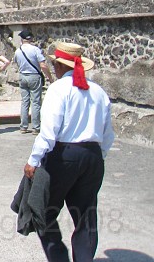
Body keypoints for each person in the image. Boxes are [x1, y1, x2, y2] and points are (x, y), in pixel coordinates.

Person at [23, 41, 114, 262]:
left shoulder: (58, 89)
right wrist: (96, 157)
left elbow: (49, 131)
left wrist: (33, 160)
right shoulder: (99, 92)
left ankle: (59, 257)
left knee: (43, 210)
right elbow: (108, 135)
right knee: (86, 218)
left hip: (64, 156)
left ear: (61, 66)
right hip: (93, 157)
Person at [13, 29, 53, 134]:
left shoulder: (18, 51)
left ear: (22, 39)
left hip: (22, 76)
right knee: (35, 102)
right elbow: (43, 65)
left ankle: (23, 126)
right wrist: (50, 77)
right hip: (34, 76)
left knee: (25, 102)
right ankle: (36, 127)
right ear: (30, 39)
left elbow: (16, 63)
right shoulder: (35, 50)